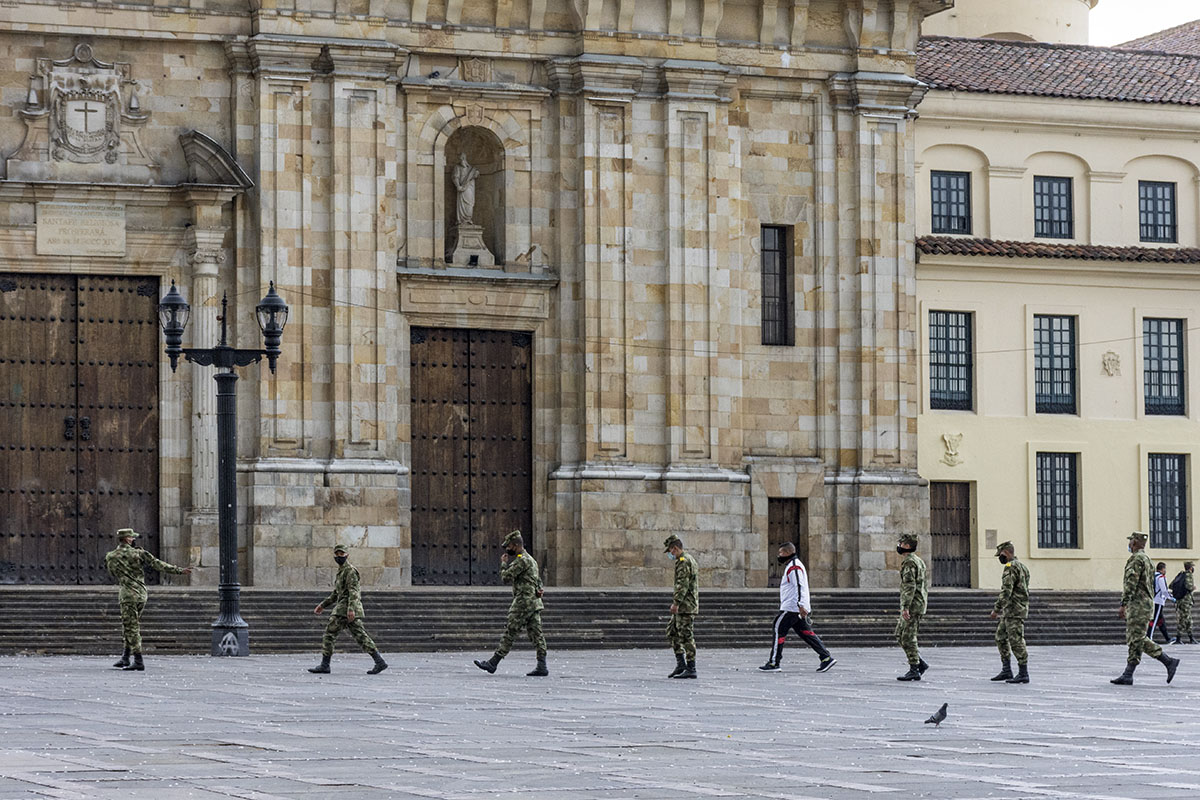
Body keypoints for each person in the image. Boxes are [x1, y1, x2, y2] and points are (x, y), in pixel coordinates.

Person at [104, 528, 192, 671]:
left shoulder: (111, 556)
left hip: (127, 595)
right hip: (141, 594)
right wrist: (179, 570)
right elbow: (158, 564)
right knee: (130, 624)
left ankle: (138, 660)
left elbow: (112, 572)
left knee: (131, 626)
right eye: (132, 538)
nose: (133, 539)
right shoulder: (139, 553)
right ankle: (125, 657)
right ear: (127, 539)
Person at [474, 530, 548, 676]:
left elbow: (506, 577)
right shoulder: (531, 559)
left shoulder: (522, 560)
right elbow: (538, 581)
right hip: (533, 603)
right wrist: (539, 590)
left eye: (509, 546)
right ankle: (542, 665)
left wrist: (503, 564)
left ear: (515, 545)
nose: (507, 549)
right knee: (536, 633)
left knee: (511, 631)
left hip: (523, 602)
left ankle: (493, 663)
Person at [1111, 532, 1180, 685]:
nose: (1129, 544)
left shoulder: (1136, 559)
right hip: (1145, 603)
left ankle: (1168, 661)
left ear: (1134, 543)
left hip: (1138, 604)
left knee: (1137, 638)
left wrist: (1123, 603)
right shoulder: (1147, 559)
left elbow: (1131, 583)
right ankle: (1128, 673)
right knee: (1135, 638)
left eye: (1130, 542)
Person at [308, 545, 388, 675]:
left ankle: (325, 665)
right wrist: (323, 605)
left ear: (347, 555)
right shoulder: (341, 571)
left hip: (345, 609)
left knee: (329, 634)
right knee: (360, 636)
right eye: (337, 554)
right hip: (345, 607)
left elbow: (353, 592)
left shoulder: (350, 571)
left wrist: (351, 609)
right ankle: (379, 661)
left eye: (342, 554)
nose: (339, 557)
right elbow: (336, 593)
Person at [759, 542, 835, 673]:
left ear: (788, 553)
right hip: (795, 607)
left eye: (781, 553)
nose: (779, 555)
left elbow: (799, 586)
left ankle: (773, 663)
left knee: (778, 629)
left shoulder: (794, 567)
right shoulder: (793, 566)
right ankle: (826, 657)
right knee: (806, 633)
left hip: (792, 607)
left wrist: (800, 605)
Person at [988, 541, 1031, 684]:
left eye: (1000, 555)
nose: (1000, 558)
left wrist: (996, 609)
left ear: (1006, 553)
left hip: (1014, 610)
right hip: (1012, 610)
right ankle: (1006, 669)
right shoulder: (1022, 566)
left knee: (1016, 640)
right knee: (1000, 637)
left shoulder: (1010, 567)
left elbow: (1006, 591)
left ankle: (1023, 672)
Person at [894, 533, 929, 681]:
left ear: (907, 546)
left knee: (908, 636)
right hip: (917, 603)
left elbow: (910, 586)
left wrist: (905, 607)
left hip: (914, 605)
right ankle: (919, 662)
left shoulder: (910, 562)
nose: (899, 546)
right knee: (900, 633)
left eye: (901, 543)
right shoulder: (918, 560)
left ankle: (914, 667)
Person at [664, 534, 699, 679]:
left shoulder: (684, 561)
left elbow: (682, 584)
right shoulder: (684, 560)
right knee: (671, 631)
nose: (670, 554)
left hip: (686, 606)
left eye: (671, 551)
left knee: (686, 636)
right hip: (684, 605)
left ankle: (691, 667)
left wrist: (676, 603)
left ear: (675, 548)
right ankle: (681, 664)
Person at [1149, 561, 1173, 644]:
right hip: (1159, 600)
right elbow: (1164, 590)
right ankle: (1149, 637)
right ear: (1162, 569)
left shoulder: (1153, 576)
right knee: (1155, 620)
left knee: (1160, 620)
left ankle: (1167, 638)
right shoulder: (1161, 577)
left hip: (1153, 599)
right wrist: (1170, 597)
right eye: (1164, 569)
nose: (1165, 570)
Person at [1173, 561, 1195, 644]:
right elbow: (1189, 587)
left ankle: (1191, 638)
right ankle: (1179, 638)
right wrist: (1193, 588)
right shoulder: (1188, 575)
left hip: (1180, 601)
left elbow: (1171, 585)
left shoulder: (1181, 575)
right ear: (1190, 568)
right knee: (1184, 619)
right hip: (1185, 601)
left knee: (1187, 619)